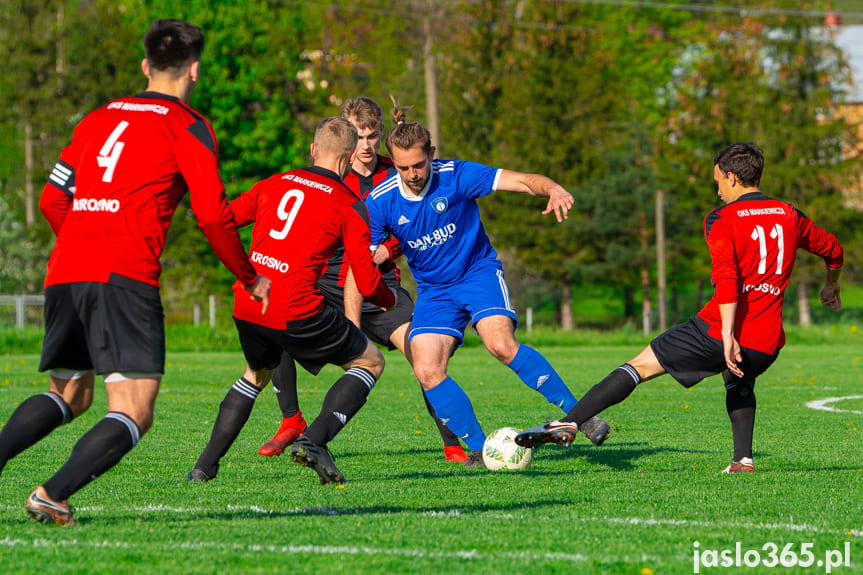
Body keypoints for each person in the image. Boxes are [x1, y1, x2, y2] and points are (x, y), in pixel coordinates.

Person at [0, 19, 270, 526]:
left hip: (65, 270)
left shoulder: (96, 118)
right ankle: (52, 493)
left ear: (146, 66)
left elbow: (52, 198)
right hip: (121, 275)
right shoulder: (188, 124)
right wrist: (249, 274)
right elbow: (212, 214)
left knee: (70, 394)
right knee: (133, 408)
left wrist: (83, 239)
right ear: (194, 70)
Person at [516, 142, 844, 473]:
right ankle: (742, 460)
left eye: (717, 182)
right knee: (738, 377)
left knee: (639, 366)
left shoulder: (722, 218)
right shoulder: (790, 215)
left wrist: (728, 335)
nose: (717, 191)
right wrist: (831, 285)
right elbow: (834, 249)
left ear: (732, 178)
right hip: (766, 343)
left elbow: (727, 277)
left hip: (718, 331)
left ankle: (569, 423)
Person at [364, 99, 610, 468]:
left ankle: (580, 414)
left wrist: (553, 188)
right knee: (426, 368)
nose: (413, 174)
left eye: (419, 164)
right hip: (434, 291)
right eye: (403, 168)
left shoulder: (457, 175)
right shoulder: (380, 201)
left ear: (431, 153)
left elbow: (523, 181)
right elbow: (367, 254)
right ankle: (482, 450)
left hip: (477, 273)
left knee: (500, 345)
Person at [257, 96, 469, 463]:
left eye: (372, 136)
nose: (366, 145)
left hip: (378, 283)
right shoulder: (329, 174)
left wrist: (389, 247)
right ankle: (291, 419)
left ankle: (452, 443)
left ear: (382, 134)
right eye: (359, 136)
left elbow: (419, 221)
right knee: (278, 327)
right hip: (329, 281)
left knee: (423, 356)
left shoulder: (398, 172)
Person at [187, 116, 396, 486]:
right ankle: (314, 440)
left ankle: (204, 467)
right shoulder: (349, 202)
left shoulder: (274, 182)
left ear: (314, 150)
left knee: (255, 375)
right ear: (349, 159)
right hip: (295, 304)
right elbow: (365, 279)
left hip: (250, 299)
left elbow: (224, 219)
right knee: (371, 361)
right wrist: (388, 299)